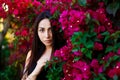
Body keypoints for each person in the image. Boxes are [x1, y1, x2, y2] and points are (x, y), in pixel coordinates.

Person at [21, 10, 65, 80]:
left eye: (50, 30)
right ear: (37, 32)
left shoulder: (64, 53)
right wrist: (36, 71)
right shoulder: (31, 54)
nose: (47, 35)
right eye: (42, 30)